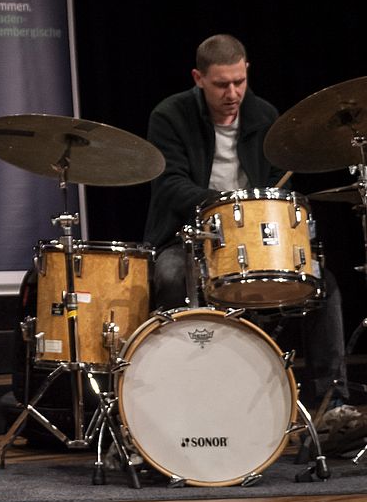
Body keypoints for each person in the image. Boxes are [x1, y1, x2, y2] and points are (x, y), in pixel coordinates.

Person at [143, 34, 350, 416]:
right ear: (198, 78)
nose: (233, 92)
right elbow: (170, 184)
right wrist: (222, 205)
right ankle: (178, 397)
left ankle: (330, 405)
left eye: (240, 81)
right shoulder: (169, 116)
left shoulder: (265, 115)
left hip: (254, 239)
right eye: (222, 84)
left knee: (324, 284)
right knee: (171, 277)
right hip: (189, 238)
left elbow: (276, 179)